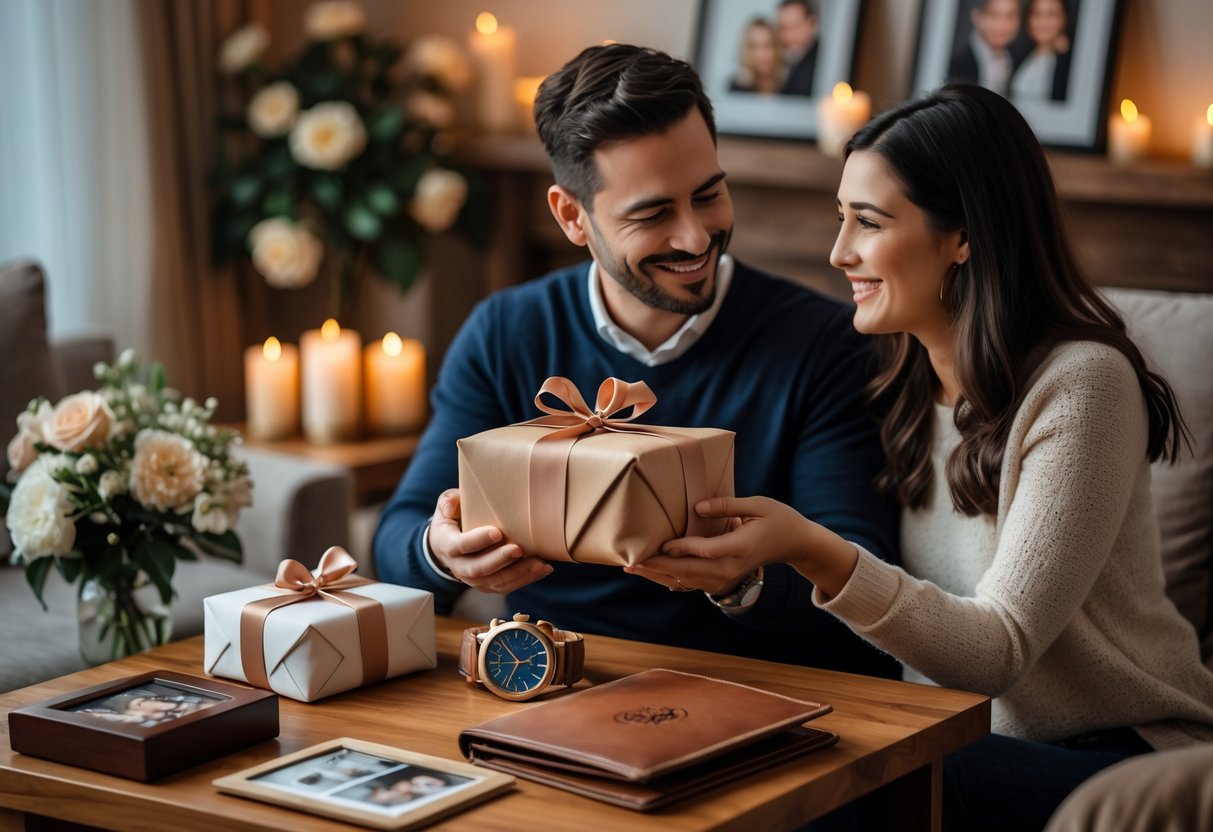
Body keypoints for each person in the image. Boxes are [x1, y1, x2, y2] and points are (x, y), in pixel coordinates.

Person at [632, 84, 1213, 831]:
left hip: (1125, 756)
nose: (838, 252)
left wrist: (809, 548)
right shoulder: (899, 379)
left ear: (963, 236)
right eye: (839, 218)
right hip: (961, 738)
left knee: (869, 775)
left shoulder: (1081, 384)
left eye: (868, 222)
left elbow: (996, 652)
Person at [372, 43, 899, 678]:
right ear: (572, 216)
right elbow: (398, 536)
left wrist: (745, 584)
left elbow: (861, 574)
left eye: (709, 195)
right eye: (652, 214)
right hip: (547, 680)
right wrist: (442, 550)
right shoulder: (505, 331)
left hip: (760, 688)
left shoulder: (825, 342)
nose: (695, 236)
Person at [947, 0, 1021, 95]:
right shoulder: (959, 62)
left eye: (1010, 16)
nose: (1002, 25)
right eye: (994, 15)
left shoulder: (1014, 58)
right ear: (977, 17)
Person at [1010, 0, 1074, 102]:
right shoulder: (1018, 55)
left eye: (1051, 14)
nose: (1043, 22)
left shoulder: (1071, 62)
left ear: (1064, 19)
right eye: (1036, 14)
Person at [728, 17, 784, 94]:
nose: (762, 55)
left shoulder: (789, 85)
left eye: (768, 45)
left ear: (777, 48)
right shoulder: (737, 87)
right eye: (754, 47)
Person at [776, 0, 819, 96]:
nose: (789, 35)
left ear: (812, 23)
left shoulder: (822, 61)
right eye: (783, 28)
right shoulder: (780, 60)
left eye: (795, 27)